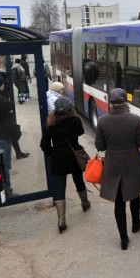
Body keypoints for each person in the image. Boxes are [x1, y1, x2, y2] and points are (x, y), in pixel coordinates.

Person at [94, 88, 140, 250]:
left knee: (119, 202)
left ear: (110, 103)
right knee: (134, 194)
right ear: (126, 101)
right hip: (132, 164)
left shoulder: (103, 121)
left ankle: (124, 239)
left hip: (113, 166)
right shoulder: (136, 119)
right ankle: (136, 224)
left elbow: (100, 145)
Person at [40, 96, 91, 233]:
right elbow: (80, 132)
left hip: (58, 158)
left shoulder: (50, 123)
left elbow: (44, 145)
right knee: (78, 180)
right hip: (73, 157)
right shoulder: (74, 120)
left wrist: (54, 153)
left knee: (59, 187)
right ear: (69, 108)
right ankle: (85, 203)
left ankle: (61, 219)